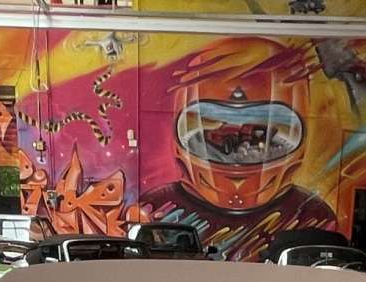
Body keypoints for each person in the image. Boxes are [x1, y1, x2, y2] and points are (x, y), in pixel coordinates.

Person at [141, 39, 336, 261]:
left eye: (262, 129)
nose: (235, 155)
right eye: (213, 124)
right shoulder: (155, 207)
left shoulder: (312, 214)